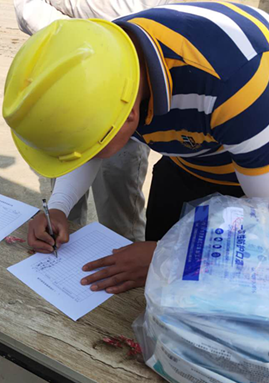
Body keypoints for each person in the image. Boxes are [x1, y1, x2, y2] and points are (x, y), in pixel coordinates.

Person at [3, 3, 269, 295]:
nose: (84, 157)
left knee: (217, 293)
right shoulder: (113, 66)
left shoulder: (237, 79)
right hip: (190, 156)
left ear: (129, 118)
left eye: (88, 149)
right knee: (157, 284)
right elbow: (87, 141)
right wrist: (59, 205)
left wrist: (169, 254)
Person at [13, 0, 171, 241]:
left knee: (119, 210)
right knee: (68, 199)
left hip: (127, 69)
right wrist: (58, 206)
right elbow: (28, 8)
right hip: (69, 70)